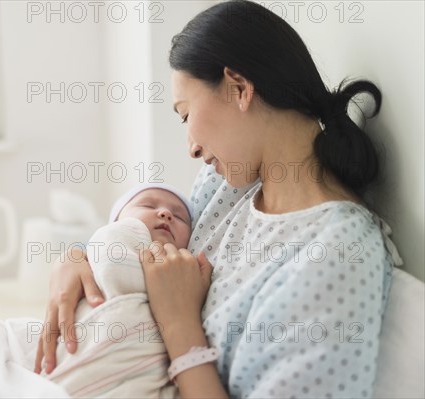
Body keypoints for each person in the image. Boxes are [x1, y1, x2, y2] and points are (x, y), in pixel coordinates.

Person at [34, 1, 403, 398]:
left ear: (238, 88)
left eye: (184, 113)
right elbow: (153, 249)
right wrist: (80, 256)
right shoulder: (228, 185)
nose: (191, 148)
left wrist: (179, 323)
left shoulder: (337, 254)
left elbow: (172, 300)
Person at [41, 183, 200, 397]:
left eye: (180, 217)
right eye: (148, 204)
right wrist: (73, 255)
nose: (166, 213)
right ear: (115, 222)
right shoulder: (106, 247)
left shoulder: (187, 274)